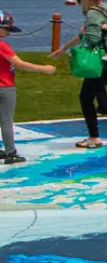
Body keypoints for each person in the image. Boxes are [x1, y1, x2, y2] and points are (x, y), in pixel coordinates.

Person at [50, 0, 107, 150]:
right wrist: (64, 47)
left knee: (86, 97)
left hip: (103, 65)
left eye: (80, 0)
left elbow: (92, 38)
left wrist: (75, 49)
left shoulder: (94, 14)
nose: (79, 4)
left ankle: (94, 137)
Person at [0, 11, 57, 165]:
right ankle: (10, 152)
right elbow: (19, 63)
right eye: (6, 29)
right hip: (4, 87)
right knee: (6, 120)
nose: (8, 32)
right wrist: (43, 68)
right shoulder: (2, 45)